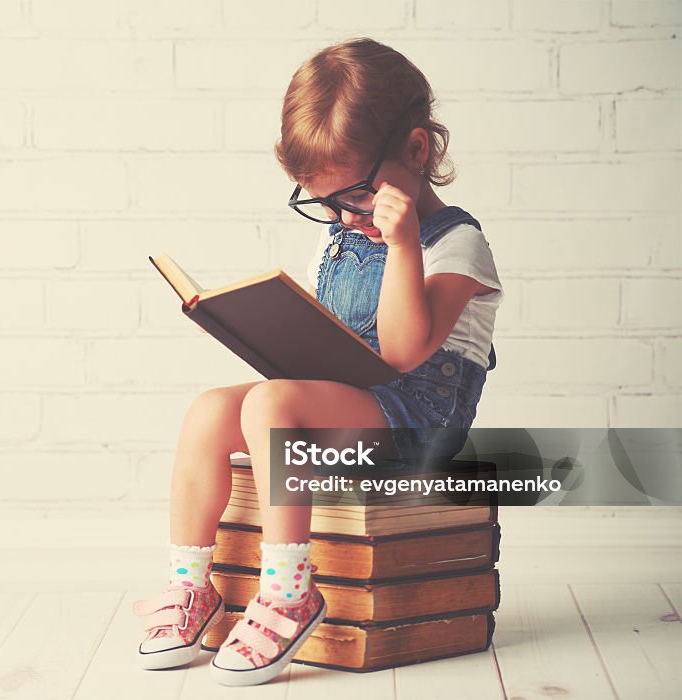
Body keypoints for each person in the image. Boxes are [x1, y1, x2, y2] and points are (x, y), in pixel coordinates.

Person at [132, 37, 503, 687]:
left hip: (417, 425)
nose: (340, 217)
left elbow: (403, 349)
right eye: (322, 203)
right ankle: (192, 586)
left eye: (355, 198)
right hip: (354, 405)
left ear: (416, 152)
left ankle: (288, 590)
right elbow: (327, 350)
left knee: (274, 404)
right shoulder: (339, 242)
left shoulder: (457, 244)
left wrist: (404, 241)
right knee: (212, 409)